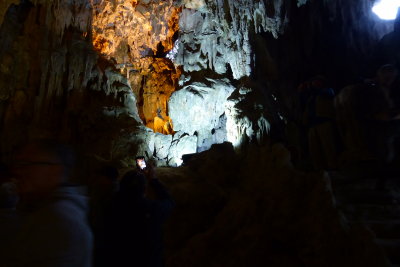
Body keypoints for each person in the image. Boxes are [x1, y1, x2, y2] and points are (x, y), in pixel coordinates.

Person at [2, 139, 93, 267]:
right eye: (18, 164)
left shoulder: (57, 219)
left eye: (27, 164)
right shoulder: (42, 209)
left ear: (55, 170)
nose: (18, 171)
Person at [103, 161, 174, 267]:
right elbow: (169, 202)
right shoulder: (151, 209)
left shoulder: (112, 206)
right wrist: (154, 180)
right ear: (144, 189)